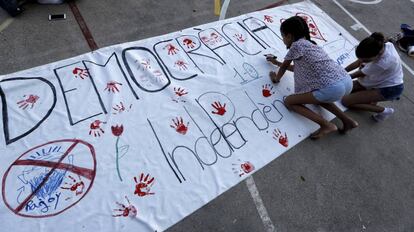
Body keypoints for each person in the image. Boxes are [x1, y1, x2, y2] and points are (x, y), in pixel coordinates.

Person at [266, 16, 358, 139]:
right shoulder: (310, 45)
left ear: (289, 36)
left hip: (332, 88)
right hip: (346, 81)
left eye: (283, 36)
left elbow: (284, 67)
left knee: (289, 101)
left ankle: (326, 125)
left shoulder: (296, 46)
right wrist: (276, 63)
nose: (283, 39)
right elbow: (296, 68)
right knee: (319, 97)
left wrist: (276, 78)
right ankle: (347, 121)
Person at [341, 32, 404, 122]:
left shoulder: (384, 62)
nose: (363, 61)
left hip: (390, 89)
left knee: (346, 101)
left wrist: (340, 76)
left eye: (366, 60)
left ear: (376, 55)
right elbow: (359, 61)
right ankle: (371, 99)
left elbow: (359, 73)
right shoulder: (378, 45)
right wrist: (342, 71)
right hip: (379, 79)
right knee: (346, 88)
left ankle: (384, 111)